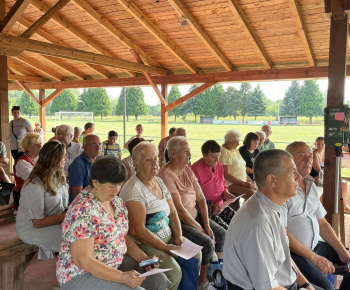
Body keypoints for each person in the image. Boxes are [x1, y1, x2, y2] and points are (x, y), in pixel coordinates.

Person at [56, 156, 170, 290]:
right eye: (112, 186)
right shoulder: (83, 209)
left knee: (158, 280)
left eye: (119, 184)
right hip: (80, 274)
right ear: (96, 182)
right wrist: (122, 277)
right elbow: (83, 260)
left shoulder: (116, 202)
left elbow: (123, 236)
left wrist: (143, 259)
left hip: (112, 263)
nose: (117, 190)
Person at [223, 149, 316, 290]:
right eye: (292, 172)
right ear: (272, 180)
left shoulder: (273, 206)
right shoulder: (258, 224)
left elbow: (284, 258)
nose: (298, 177)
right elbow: (267, 287)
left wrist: (305, 284)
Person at [120, 142, 201, 289]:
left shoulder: (158, 181)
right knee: (174, 273)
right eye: (148, 160)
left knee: (195, 256)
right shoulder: (133, 190)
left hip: (168, 237)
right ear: (136, 164)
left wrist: (178, 236)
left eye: (156, 158)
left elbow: (173, 211)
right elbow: (137, 231)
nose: (155, 163)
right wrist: (164, 247)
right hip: (145, 243)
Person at [158, 136, 226, 290]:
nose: (189, 154)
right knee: (207, 243)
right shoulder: (165, 175)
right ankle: (202, 283)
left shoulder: (188, 170)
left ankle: (215, 272)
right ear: (173, 153)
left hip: (197, 217)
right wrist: (200, 228)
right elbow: (179, 210)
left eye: (189, 151)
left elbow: (201, 199)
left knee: (221, 234)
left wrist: (206, 224)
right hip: (179, 221)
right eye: (185, 151)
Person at [285, 141, 350, 290]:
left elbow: (322, 223)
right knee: (327, 288)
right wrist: (314, 259)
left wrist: (342, 251)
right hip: (295, 254)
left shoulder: (310, 184)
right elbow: (282, 232)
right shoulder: (283, 189)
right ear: (287, 161)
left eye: (310, 155)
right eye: (302, 156)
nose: (308, 160)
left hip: (316, 246)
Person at [16, 141, 68, 260]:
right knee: (76, 238)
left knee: (86, 230)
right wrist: (67, 216)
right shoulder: (34, 183)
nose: (65, 159)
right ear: (53, 159)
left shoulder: (59, 176)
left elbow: (63, 207)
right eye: (63, 156)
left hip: (54, 223)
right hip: (31, 229)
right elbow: (37, 223)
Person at [192, 140, 236, 230]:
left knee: (238, 220)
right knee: (226, 229)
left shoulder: (218, 165)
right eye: (213, 157)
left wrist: (226, 194)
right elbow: (194, 197)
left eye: (218, 156)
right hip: (206, 209)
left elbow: (222, 184)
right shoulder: (195, 169)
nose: (217, 160)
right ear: (204, 155)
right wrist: (211, 206)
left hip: (220, 206)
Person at [219, 129, 256, 205]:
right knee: (253, 195)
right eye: (236, 141)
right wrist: (245, 184)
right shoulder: (224, 151)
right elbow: (227, 175)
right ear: (229, 141)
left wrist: (250, 182)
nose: (239, 143)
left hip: (241, 182)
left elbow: (241, 168)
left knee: (259, 191)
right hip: (230, 184)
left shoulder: (235, 150)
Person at [68, 135, 101, 203]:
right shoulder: (77, 165)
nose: (98, 147)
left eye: (99, 144)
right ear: (84, 146)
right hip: (84, 207)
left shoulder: (99, 161)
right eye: (93, 144)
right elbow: (78, 196)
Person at [13, 132, 43, 206]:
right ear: (28, 147)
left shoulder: (39, 159)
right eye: (36, 144)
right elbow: (36, 179)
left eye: (41, 143)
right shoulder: (22, 162)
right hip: (25, 197)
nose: (40, 145)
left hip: (36, 194)